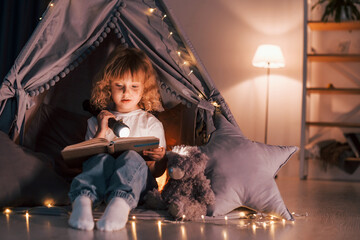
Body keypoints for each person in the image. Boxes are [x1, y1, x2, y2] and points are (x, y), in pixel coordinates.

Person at [68, 46, 167, 231]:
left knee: (130, 157)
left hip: (137, 186)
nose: (126, 93)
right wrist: (101, 131)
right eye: (119, 86)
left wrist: (158, 160)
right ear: (108, 87)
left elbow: (155, 173)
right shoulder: (97, 121)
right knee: (99, 158)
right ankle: (82, 200)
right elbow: (87, 163)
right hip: (102, 182)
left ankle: (120, 204)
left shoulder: (151, 124)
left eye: (134, 87)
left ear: (144, 89)